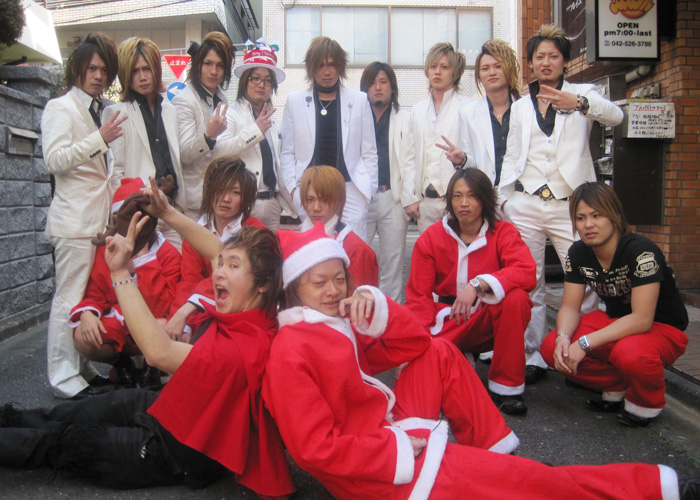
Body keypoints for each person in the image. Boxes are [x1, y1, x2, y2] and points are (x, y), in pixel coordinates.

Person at [262, 223, 697, 500]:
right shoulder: (290, 351)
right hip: (379, 467)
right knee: (535, 485)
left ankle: (495, 456)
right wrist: (392, 450)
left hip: (385, 430)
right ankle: (656, 489)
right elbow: (312, 450)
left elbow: (416, 342)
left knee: (438, 352)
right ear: (294, 288)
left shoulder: (335, 322)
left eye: (340, 279)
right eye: (319, 282)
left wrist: (376, 305)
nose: (334, 290)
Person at [0, 181, 295, 499]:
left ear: (263, 284)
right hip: (166, 406)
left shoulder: (241, 350)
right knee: (69, 413)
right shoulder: (261, 309)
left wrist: (120, 273)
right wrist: (167, 212)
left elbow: (157, 352)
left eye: (232, 266)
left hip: (172, 450)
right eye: (221, 263)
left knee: (59, 442)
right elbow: (214, 249)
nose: (219, 271)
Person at [499, 24, 624, 384]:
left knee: (583, 280)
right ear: (531, 63)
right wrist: (505, 199)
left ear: (564, 62)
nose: (546, 61)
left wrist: (580, 104)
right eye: (539, 56)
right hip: (525, 201)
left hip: (571, 204)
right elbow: (512, 155)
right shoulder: (520, 107)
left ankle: (580, 356)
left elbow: (615, 116)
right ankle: (533, 355)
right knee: (530, 281)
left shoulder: (583, 93)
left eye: (553, 56)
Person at [540, 182, 689, 427]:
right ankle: (617, 384)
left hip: (662, 328)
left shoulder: (641, 252)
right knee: (551, 347)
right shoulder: (578, 253)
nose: (588, 224)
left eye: (596, 215)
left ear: (615, 216)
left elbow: (642, 319)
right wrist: (563, 338)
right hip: (616, 323)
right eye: (580, 218)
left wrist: (585, 343)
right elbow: (569, 307)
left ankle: (646, 402)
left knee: (629, 353)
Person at [405, 168, 536, 415]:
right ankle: (457, 355)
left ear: (484, 199)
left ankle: (506, 387)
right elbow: (418, 295)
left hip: (486, 319)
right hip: (448, 319)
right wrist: (415, 339)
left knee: (517, 299)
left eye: (472, 196)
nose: (463, 203)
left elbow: (526, 272)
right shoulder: (431, 237)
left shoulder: (504, 232)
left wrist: (478, 284)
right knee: (421, 365)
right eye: (457, 196)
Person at [41, 32, 125, 399]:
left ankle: (80, 368)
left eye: (104, 70)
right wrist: (99, 138)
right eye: (92, 69)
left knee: (82, 299)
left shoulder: (99, 110)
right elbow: (54, 159)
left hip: (97, 223)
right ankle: (62, 378)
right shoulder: (59, 107)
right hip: (73, 223)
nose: (99, 76)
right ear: (77, 69)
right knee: (67, 297)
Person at [69, 178, 181, 390]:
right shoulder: (107, 250)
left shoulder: (169, 254)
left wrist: (143, 257)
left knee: (164, 326)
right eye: (125, 219)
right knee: (83, 337)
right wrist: (87, 314)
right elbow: (95, 294)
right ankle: (122, 365)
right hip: (120, 325)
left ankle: (153, 367)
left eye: (136, 219)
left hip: (153, 324)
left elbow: (162, 307)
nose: (131, 227)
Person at [280, 36, 378, 240]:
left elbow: (369, 152)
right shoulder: (295, 101)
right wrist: (294, 191)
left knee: (353, 249)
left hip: (350, 189)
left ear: (340, 66)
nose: (327, 71)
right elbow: (287, 152)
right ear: (311, 67)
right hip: (310, 191)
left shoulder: (359, 100)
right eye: (320, 65)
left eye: (332, 65)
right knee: (315, 250)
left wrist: (368, 190)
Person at [166, 156, 265, 341]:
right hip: (203, 311)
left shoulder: (255, 231)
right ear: (209, 191)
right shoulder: (195, 233)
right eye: (220, 190)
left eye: (235, 192)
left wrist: (187, 310)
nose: (226, 199)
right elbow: (188, 283)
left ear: (245, 198)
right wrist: (184, 325)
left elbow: (243, 283)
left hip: (243, 313)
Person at [103, 37, 186, 250]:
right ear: (125, 75)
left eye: (147, 69)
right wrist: (124, 214)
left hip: (172, 209)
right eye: (134, 71)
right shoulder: (116, 112)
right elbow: (116, 172)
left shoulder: (170, 110)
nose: (142, 77)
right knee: (145, 271)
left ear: (156, 70)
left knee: (177, 268)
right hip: (140, 212)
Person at [217, 38, 294, 231]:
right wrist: (255, 131)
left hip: (273, 203)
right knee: (241, 250)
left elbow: (280, 164)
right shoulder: (230, 112)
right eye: (256, 78)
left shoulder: (275, 121)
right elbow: (219, 153)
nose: (262, 85)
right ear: (245, 81)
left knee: (271, 250)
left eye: (267, 81)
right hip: (242, 203)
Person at [360, 61, 416, 302]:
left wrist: (410, 197)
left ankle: (392, 315)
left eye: (383, 82)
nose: (378, 87)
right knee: (357, 258)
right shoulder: (355, 118)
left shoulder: (405, 118)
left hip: (393, 197)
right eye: (372, 83)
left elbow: (412, 160)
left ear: (392, 87)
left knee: (392, 264)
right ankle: (358, 311)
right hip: (362, 198)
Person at [403, 42, 469, 233]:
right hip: (426, 201)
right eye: (433, 66)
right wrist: (410, 197)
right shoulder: (418, 110)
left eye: (444, 67)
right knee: (429, 251)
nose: (437, 72)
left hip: (458, 200)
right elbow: (410, 157)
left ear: (455, 73)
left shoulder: (468, 107)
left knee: (461, 251)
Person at [441, 39, 521, 187]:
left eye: (498, 66)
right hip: (486, 193)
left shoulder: (525, 109)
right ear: (478, 75)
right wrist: (463, 160)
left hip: (521, 194)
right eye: (485, 68)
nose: (492, 72)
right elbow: (472, 165)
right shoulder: (468, 113)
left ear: (509, 69)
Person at [173, 31, 235, 219]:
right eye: (208, 63)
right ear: (198, 65)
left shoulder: (222, 99)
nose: (214, 71)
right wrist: (209, 137)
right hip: (193, 203)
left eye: (220, 65)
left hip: (218, 199)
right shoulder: (184, 100)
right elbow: (184, 154)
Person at [299, 165, 378, 291]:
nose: (316, 208)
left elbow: (357, 300)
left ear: (338, 201)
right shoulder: (296, 241)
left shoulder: (356, 250)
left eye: (324, 200)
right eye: (310, 200)